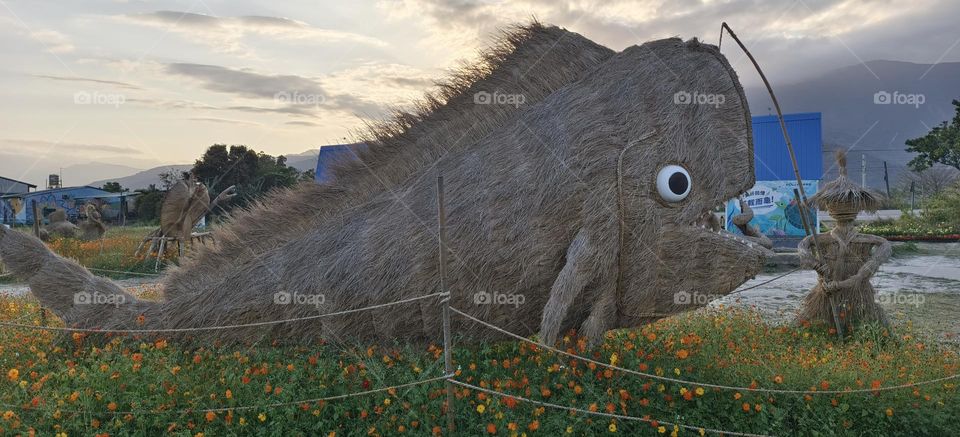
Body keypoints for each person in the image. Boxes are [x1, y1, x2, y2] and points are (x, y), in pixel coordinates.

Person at [797, 152, 891, 328]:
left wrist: (862, 274)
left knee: (871, 320)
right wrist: (816, 264)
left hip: (857, 289)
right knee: (813, 317)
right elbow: (803, 246)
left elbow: (884, 246)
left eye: (846, 202)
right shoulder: (822, 239)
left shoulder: (866, 240)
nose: (842, 207)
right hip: (827, 289)